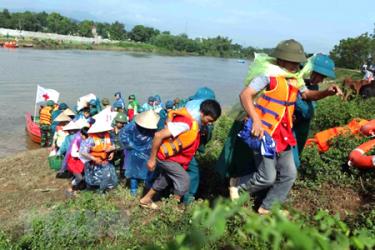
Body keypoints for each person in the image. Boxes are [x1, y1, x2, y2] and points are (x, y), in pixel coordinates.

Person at [232, 39, 343, 215]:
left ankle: (266, 208)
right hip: (265, 135)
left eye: (297, 63)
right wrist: (257, 120)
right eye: (293, 63)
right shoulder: (268, 76)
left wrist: (326, 92)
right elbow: (245, 95)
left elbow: (307, 95)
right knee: (267, 177)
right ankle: (237, 185)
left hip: (284, 134)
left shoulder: (295, 79)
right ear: (282, 60)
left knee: (289, 174)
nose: (296, 66)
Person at [139, 99, 221, 209]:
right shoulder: (185, 123)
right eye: (209, 120)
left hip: (172, 157)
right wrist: (152, 159)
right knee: (184, 179)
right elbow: (158, 135)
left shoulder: (196, 123)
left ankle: (146, 200)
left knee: (165, 178)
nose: (210, 123)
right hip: (165, 157)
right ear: (202, 113)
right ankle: (171, 209)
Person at [292, 54, 337, 168]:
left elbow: (312, 98)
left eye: (323, 77)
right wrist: (326, 92)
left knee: (296, 159)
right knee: (292, 164)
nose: (321, 80)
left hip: (302, 129)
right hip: (291, 128)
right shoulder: (295, 83)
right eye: (318, 75)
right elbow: (307, 96)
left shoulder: (314, 86)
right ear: (309, 70)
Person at [120, 111, 159, 196]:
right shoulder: (133, 126)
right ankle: (141, 190)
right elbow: (124, 137)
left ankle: (138, 190)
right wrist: (135, 147)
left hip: (139, 151)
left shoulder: (132, 125)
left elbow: (124, 137)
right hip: (142, 152)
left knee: (138, 170)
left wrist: (133, 146)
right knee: (141, 170)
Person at [80, 119, 118, 192]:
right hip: (94, 163)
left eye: (104, 131)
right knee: (95, 180)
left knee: (109, 179)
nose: (103, 132)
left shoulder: (108, 135)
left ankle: (104, 190)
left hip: (105, 162)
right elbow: (83, 151)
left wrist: (112, 152)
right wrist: (94, 159)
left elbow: (113, 145)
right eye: (101, 131)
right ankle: (96, 191)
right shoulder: (91, 138)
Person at [66, 127, 90, 192]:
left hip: (83, 163)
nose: (85, 137)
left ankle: (77, 188)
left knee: (84, 177)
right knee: (79, 177)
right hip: (74, 163)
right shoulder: (76, 141)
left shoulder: (88, 141)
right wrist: (82, 154)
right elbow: (73, 153)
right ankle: (71, 187)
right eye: (84, 136)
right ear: (81, 134)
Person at [108, 113, 128, 179]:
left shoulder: (125, 131)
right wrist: (112, 150)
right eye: (118, 122)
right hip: (112, 150)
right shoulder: (111, 130)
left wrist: (116, 147)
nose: (120, 124)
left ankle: (122, 177)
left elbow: (125, 143)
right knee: (111, 163)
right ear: (116, 121)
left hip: (122, 150)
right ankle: (112, 177)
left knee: (123, 164)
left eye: (122, 122)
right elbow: (109, 140)